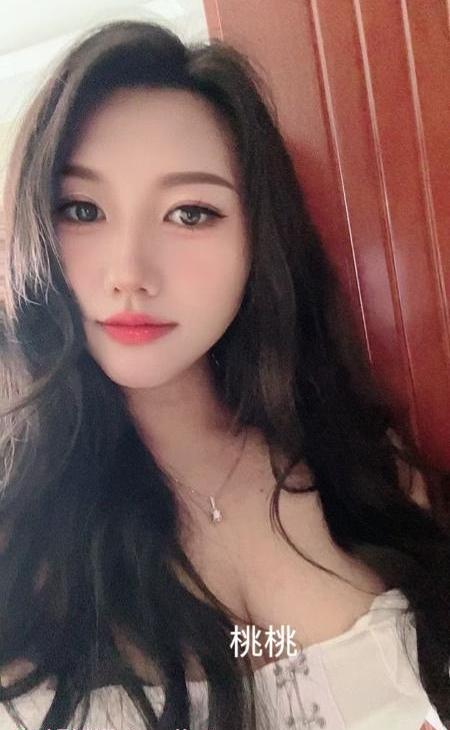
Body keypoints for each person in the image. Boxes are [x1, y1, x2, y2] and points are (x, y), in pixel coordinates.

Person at [0, 18, 448, 730]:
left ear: (256, 241)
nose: (129, 274)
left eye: (190, 212)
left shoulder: (359, 464)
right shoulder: (18, 518)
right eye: (82, 209)